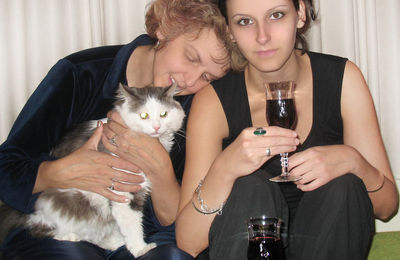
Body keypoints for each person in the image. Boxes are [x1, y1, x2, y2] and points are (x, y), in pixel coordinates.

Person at [0, 0, 231, 259]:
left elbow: (182, 225)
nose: (190, 80)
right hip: (59, 222)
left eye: (207, 77)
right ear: (167, 27)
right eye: (191, 57)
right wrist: (58, 172)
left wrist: (161, 169)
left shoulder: (199, 106)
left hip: (147, 235)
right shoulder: (81, 74)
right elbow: (6, 167)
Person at [176, 0, 399, 259]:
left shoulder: (342, 79)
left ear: (301, 14)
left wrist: (356, 162)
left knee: (344, 185)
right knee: (250, 185)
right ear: (229, 32)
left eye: (277, 15)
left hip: (327, 245)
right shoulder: (214, 101)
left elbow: (386, 208)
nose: (262, 36)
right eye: (244, 22)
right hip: (242, 245)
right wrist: (224, 169)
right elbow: (188, 242)